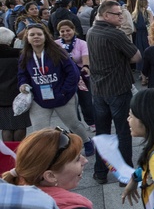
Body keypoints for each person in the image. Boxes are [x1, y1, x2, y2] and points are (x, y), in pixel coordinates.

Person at [17, 23, 94, 156]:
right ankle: (47, 153)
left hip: (62, 96)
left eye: (39, 34)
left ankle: (87, 142)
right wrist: (22, 85)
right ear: (27, 38)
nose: (36, 37)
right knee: (39, 130)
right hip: (39, 99)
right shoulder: (25, 56)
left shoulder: (57, 52)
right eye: (32, 34)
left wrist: (64, 91)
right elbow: (22, 74)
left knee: (73, 124)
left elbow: (73, 73)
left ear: (45, 36)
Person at [87, 0, 141, 185]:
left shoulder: (91, 31)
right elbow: (136, 56)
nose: (121, 16)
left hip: (98, 89)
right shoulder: (114, 34)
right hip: (117, 88)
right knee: (123, 131)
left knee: (102, 133)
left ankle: (100, 172)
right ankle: (125, 174)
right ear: (106, 15)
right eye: (117, 14)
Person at [57, 20, 95, 130]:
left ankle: (91, 121)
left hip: (80, 75)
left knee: (86, 100)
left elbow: (85, 56)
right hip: (63, 77)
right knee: (70, 103)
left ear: (73, 30)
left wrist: (86, 66)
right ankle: (75, 124)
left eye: (68, 30)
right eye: (62, 31)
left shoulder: (81, 43)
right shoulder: (56, 44)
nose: (65, 33)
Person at [0, 27, 29, 141]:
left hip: (1, 98)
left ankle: (8, 156)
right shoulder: (19, 54)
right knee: (20, 125)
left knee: (6, 127)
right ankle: (19, 153)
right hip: (18, 95)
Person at [132, 0, 154, 84]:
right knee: (149, 55)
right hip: (147, 35)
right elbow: (152, 25)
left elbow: (133, 29)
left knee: (141, 56)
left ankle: (143, 78)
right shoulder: (148, 13)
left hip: (138, 36)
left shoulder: (134, 14)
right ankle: (150, 75)